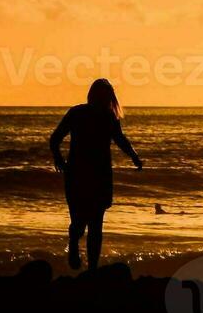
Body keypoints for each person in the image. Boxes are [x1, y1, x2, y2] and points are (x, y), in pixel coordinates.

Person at [49, 79, 142, 271]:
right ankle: (76, 249)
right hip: (84, 174)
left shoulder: (104, 117)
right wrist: (58, 159)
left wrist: (134, 156)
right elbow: (55, 138)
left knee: (93, 223)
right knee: (84, 222)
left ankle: (91, 267)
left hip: (87, 174)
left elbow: (120, 139)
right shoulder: (80, 113)